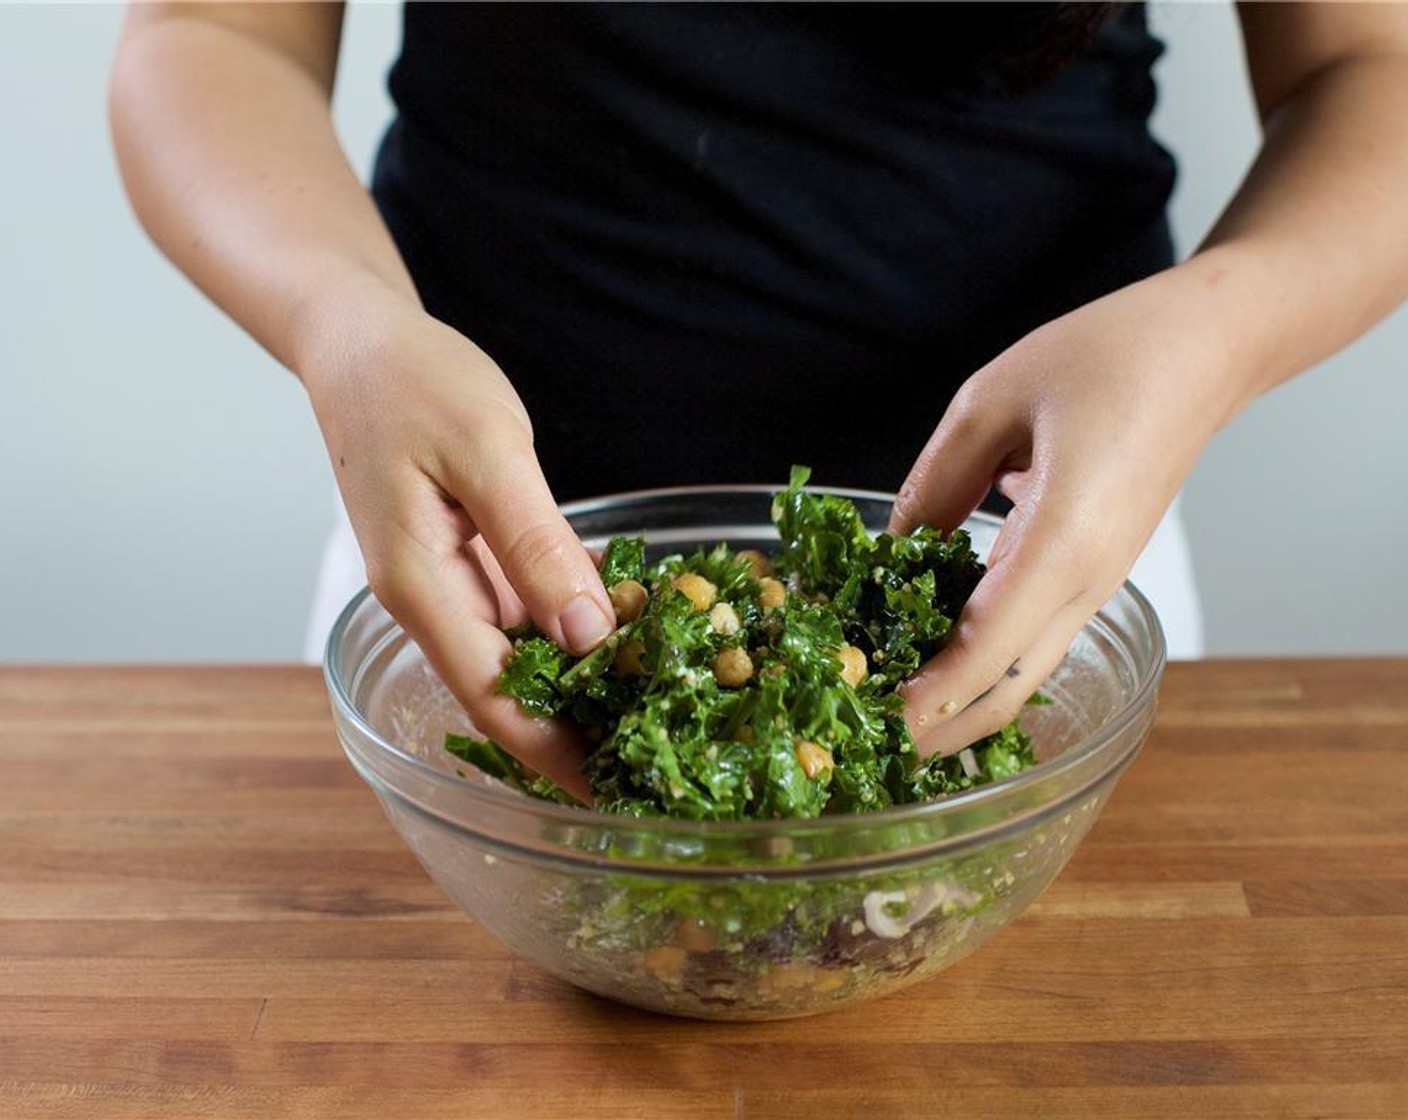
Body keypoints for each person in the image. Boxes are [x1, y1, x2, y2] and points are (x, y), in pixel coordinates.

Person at [110, 3, 1408, 794]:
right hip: (469, 574)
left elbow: (1370, 61)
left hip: (1047, 573)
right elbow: (212, 32)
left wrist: (1206, 335)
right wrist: (346, 327)